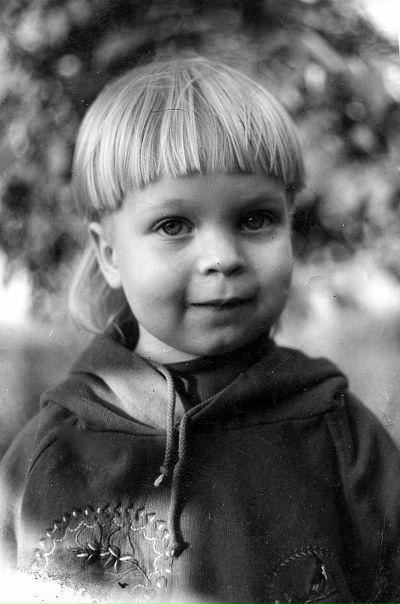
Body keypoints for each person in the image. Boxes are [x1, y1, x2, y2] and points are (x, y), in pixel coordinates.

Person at [1, 55, 400, 604]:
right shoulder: (46, 454)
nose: (223, 257)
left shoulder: (342, 437)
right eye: (174, 225)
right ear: (109, 253)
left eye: (255, 219)